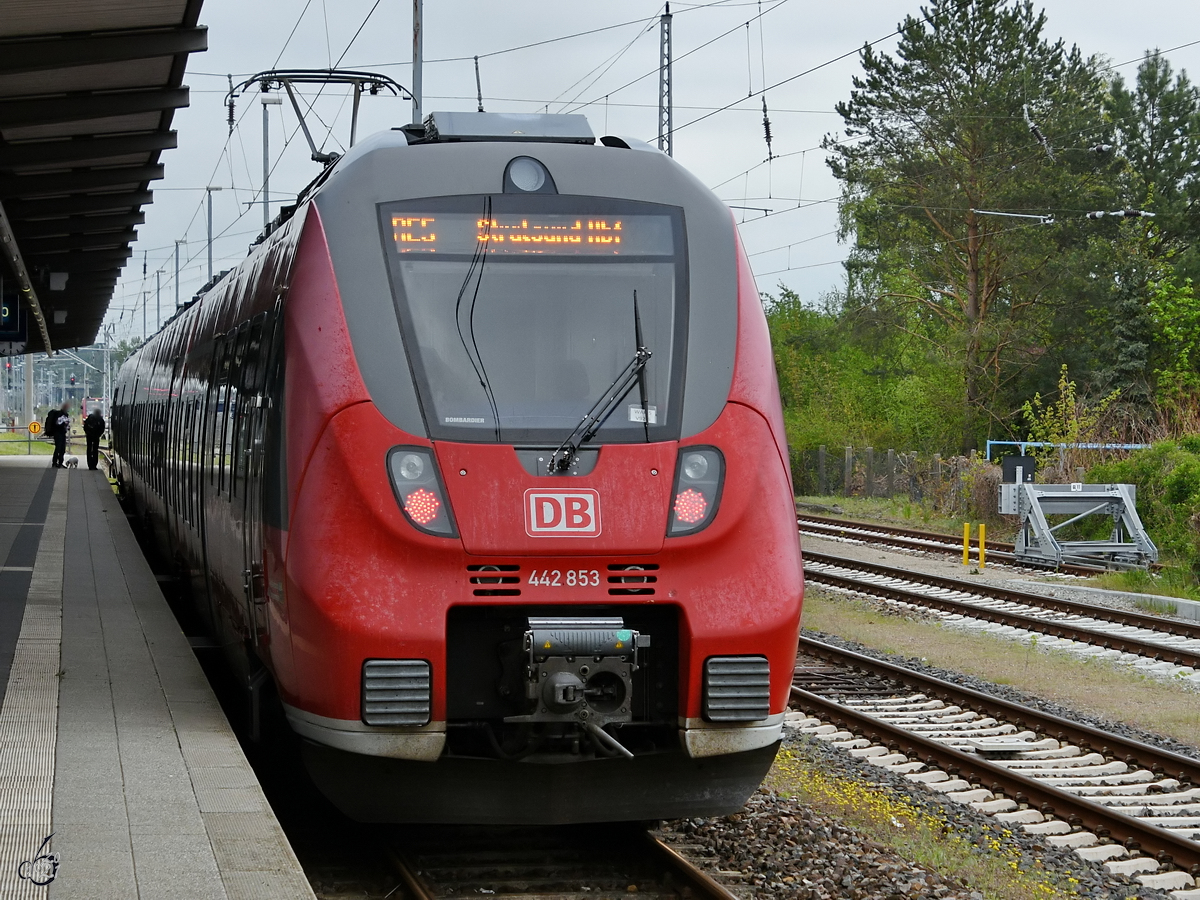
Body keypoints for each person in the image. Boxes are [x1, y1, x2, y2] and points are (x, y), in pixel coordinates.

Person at [50, 402, 70, 468]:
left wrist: (67, 426)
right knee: (58, 448)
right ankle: (55, 462)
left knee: (62, 449)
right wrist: (64, 424)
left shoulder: (66, 414)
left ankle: (60, 462)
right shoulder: (59, 414)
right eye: (67, 407)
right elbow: (58, 423)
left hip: (62, 433)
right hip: (58, 433)